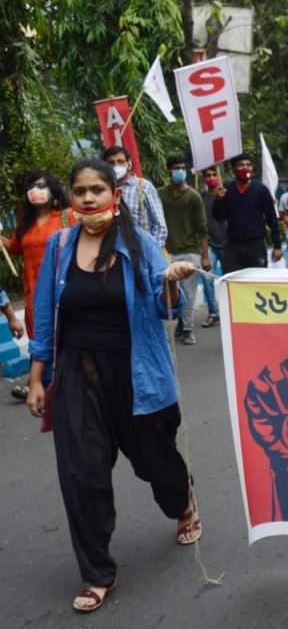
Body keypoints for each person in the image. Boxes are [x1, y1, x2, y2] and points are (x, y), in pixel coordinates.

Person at [26, 158, 201, 613]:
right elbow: (45, 317)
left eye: (97, 190)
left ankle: (182, 504)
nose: (88, 197)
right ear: (73, 198)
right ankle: (98, 573)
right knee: (81, 471)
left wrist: (171, 284)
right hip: (76, 372)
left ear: (114, 195)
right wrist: (37, 379)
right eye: (80, 190)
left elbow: (167, 306)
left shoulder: (138, 242)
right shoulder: (61, 246)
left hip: (136, 371)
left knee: (154, 461)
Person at [2, 172, 76, 399]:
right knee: (41, 335)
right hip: (34, 291)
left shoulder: (68, 216)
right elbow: (14, 247)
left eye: (42, 185)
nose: (35, 189)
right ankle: (44, 384)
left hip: (66, 287)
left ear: (54, 192)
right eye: (32, 185)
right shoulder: (25, 221)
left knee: (69, 332)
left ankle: (65, 381)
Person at [158, 155, 209, 346]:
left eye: (182, 167)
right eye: (175, 168)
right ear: (168, 171)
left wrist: (204, 256)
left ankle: (187, 328)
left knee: (188, 293)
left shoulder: (194, 196)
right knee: (166, 291)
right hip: (165, 251)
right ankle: (170, 328)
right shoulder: (160, 194)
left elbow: (202, 228)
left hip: (190, 250)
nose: (179, 170)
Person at [211, 153, 283, 272]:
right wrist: (218, 200)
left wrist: (277, 245)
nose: (245, 168)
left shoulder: (261, 190)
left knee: (257, 280)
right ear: (234, 169)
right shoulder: (225, 189)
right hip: (233, 245)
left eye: (248, 165)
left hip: (256, 244)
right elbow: (219, 217)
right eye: (241, 165)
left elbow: (272, 218)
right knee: (231, 280)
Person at [101, 146, 167, 247]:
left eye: (120, 162)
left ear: (128, 164)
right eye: (111, 163)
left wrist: (152, 251)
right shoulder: (103, 190)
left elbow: (160, 226)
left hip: (142, 249)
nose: (116, 166)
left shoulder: (143, 186)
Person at [198, 167, 227, 328]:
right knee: (208, 278)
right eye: (208, 175)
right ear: (203, 179)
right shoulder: (200, 198)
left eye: (214, 174)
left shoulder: (226, 195)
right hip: (209, 244)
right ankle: (213, 313)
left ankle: (232, 312)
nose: (211, 177)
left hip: (228, 242)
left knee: (229, 280)